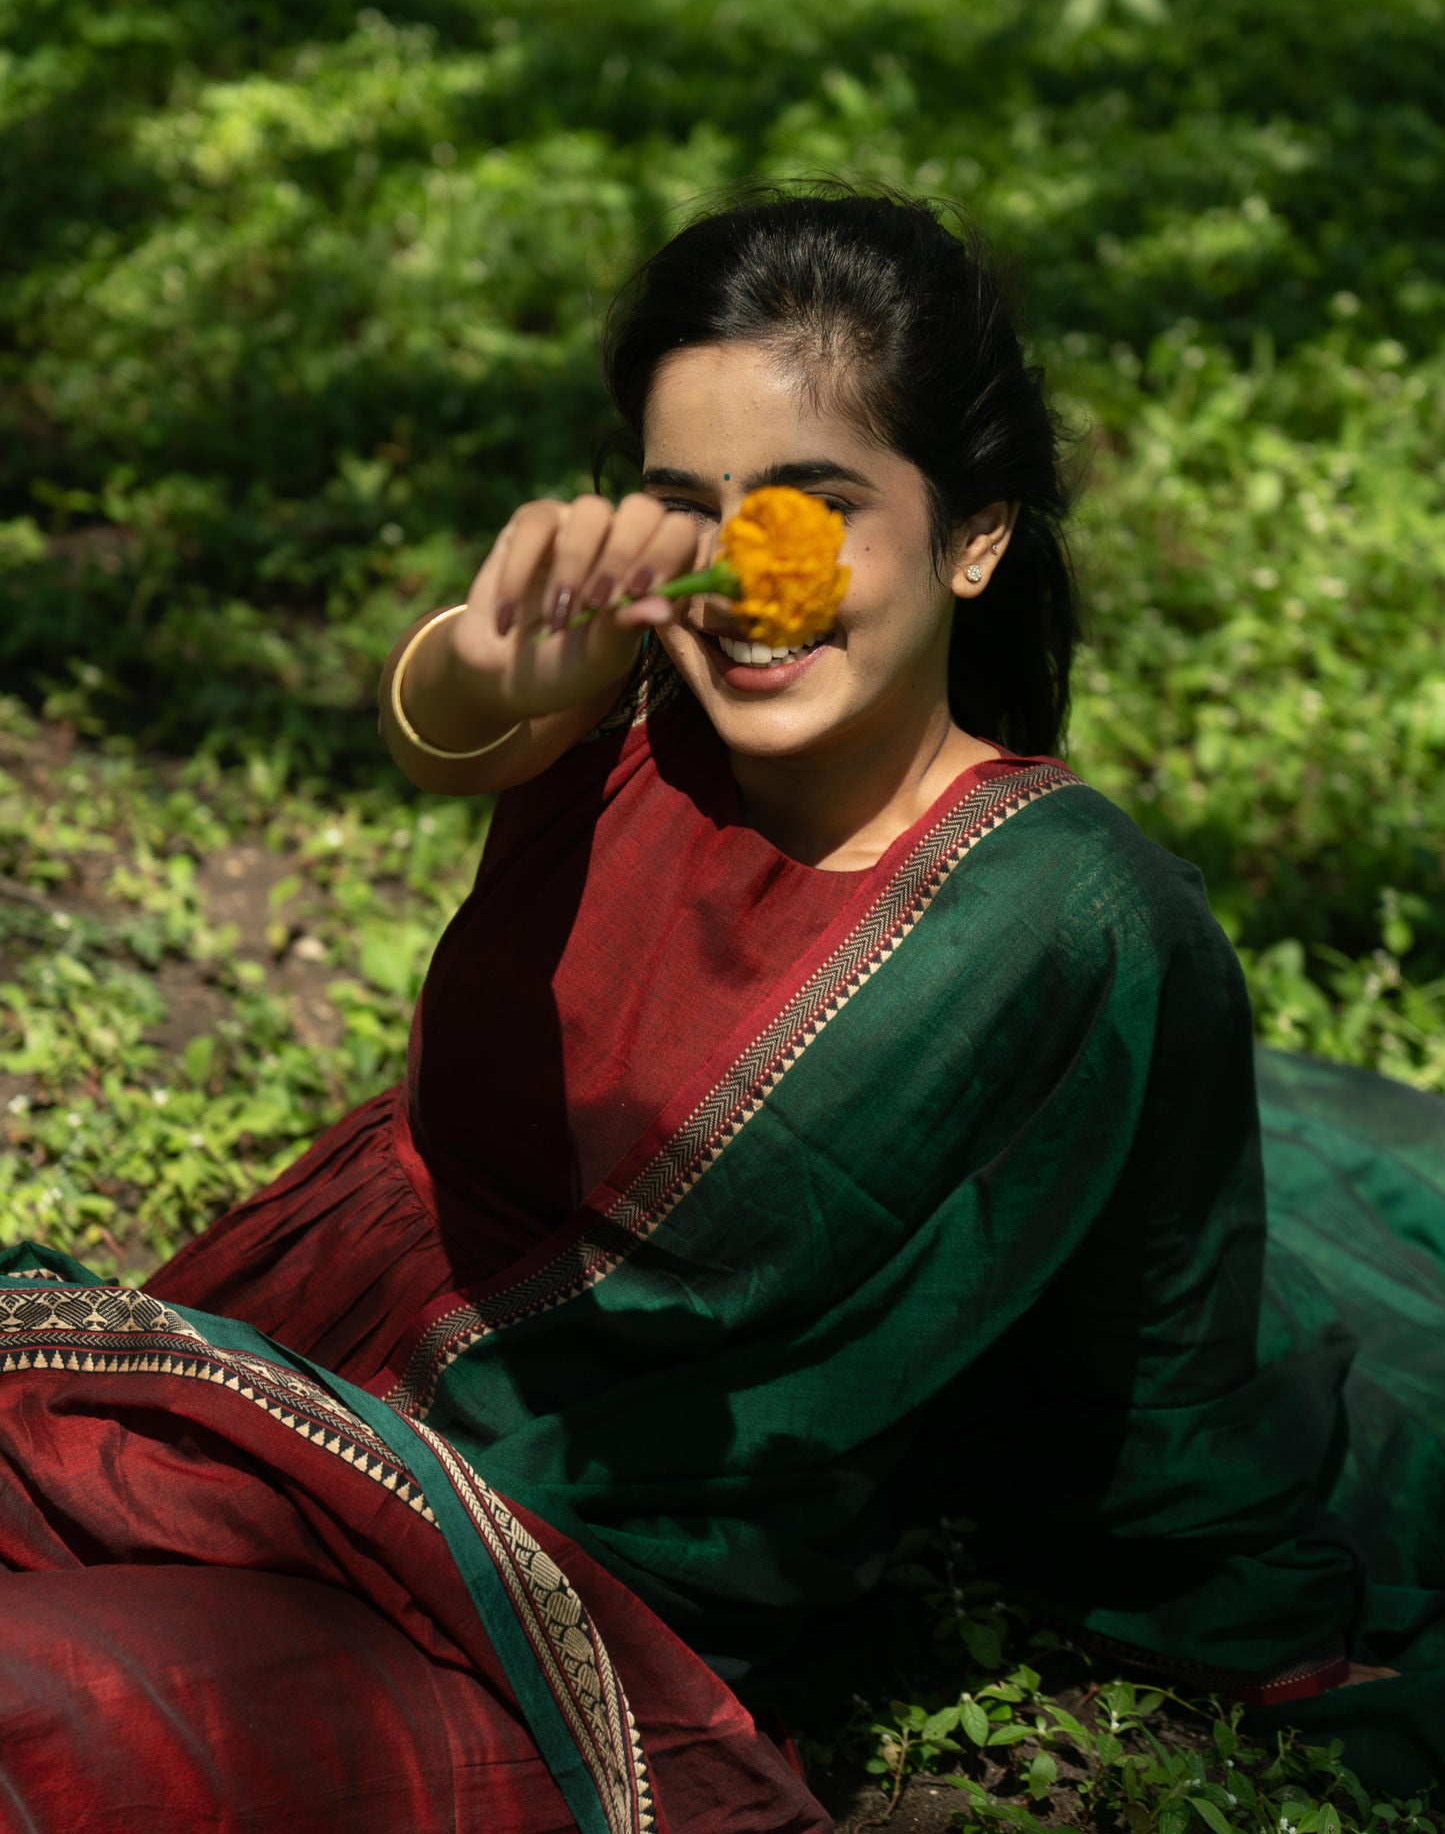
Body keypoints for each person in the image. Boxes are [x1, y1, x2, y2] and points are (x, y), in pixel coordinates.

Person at [2, 188, 1442, 1825]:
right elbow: (435, 716)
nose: (753, 581)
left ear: (971, 536)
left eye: (816, 507)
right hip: (279, 1373)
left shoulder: (1064, 911)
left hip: (580, 1567)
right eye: (694, 510)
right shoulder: (608, 705)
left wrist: (1265, 1640)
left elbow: (1158, 1319)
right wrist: (499, 663)